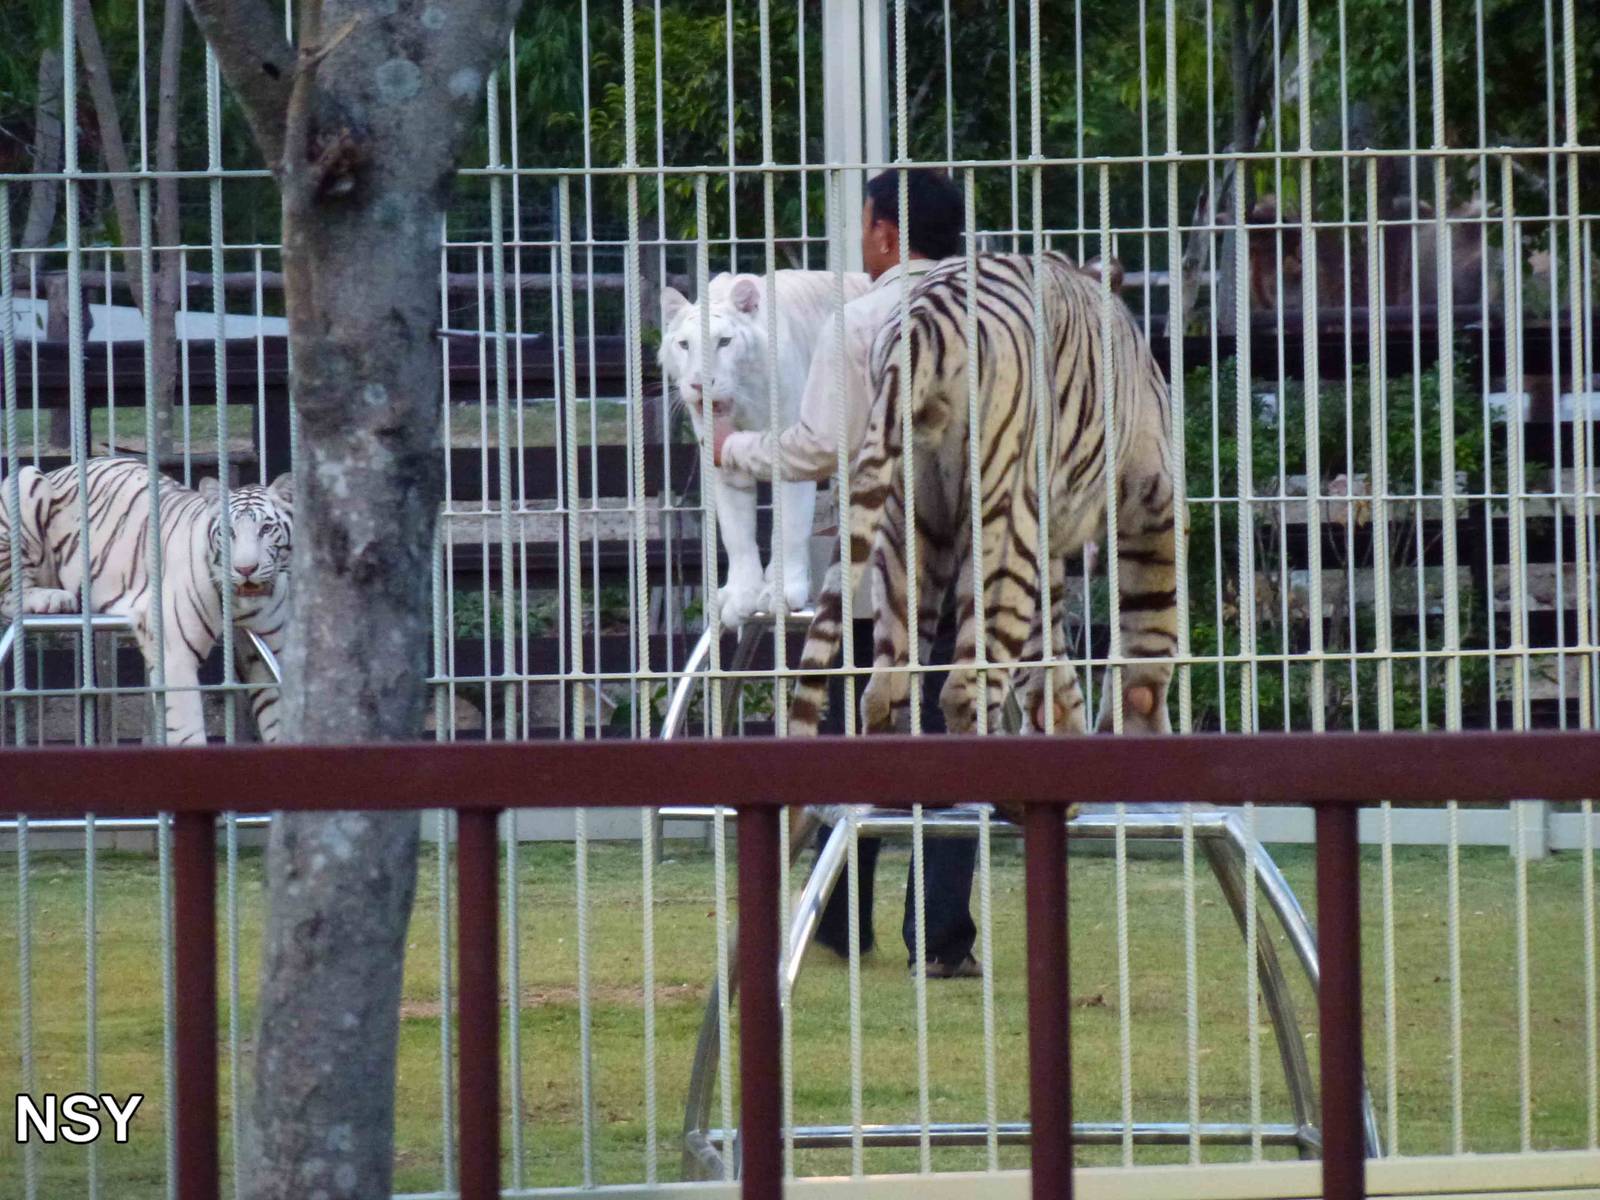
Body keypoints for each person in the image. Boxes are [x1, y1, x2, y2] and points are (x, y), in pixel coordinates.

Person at [712, 168, 982, 978]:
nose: (859, 245)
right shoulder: (1003, 318)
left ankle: (837, 920)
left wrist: (736, 450)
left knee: (855, 738)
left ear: (889, 235)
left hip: (881, 567)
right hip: (980, 566)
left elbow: (813, 446)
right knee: (956, 740)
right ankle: (940, 939)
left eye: (864, 227)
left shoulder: (860, 319)